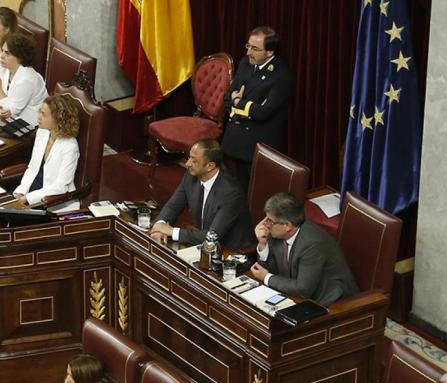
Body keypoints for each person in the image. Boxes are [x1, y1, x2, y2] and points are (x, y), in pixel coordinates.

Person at [248, 192, 358, 306]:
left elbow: (303, 289)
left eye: (270, 221)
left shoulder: (312, 243)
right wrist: (262, 244)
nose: (265, 225)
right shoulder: (277, 232)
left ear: (287, 226)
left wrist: (267, 277)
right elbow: (269, 271)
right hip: (296, 295)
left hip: (331, 303)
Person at [222, 26, 294, 190]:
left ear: (270, 52)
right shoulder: (245, 63)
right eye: (248, 46)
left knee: (253, 193)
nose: (248, 53)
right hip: (234, 139)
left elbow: (263, 112)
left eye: (255, 49)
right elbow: (228, 95)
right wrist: (238, 103)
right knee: (232, 188)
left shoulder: (281, 76)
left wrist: (238, 103)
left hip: (256, 145)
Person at [151, 139, 252, 250]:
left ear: (210, 166)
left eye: (194, 161)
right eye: (189, 157)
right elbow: (172, 206)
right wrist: (159, 226)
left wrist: (172, 231)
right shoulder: (191, 176)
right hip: (202, 243)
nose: (187, 163)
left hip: (230, 251)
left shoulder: (231, 193)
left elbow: (212, 237)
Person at [13, 94, 80, 205]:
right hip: (31, 192)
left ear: (58, 118)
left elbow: (61, 187)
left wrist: (27, 199)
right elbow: (32, 168)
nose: (39, 117)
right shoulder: (42, 132)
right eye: (40, 112)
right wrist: (20, 192)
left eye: (43, 114)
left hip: (51, 202)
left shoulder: (70, 147)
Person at [0, 33, 48, 126]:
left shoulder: (27, 79)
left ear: (20, 57)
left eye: (7, 53)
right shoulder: (4, 68)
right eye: (2, 51)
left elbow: (11, 111)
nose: (1, 56)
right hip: (10, 120)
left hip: (30, 126)